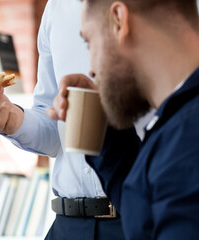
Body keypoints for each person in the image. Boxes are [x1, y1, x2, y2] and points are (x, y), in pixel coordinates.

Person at [0, 0, 155, 238]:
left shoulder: (164, 9)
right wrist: (17, 121)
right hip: (67, 223)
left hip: (134, 220)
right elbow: (56, 126)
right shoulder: (56, 8)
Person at [50, 0, 199, 239]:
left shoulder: (186, 143)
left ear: (119, 20)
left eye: (89, 42)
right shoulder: (175, 129)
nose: (91, 69)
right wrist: (101, 118)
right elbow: (143, 214)